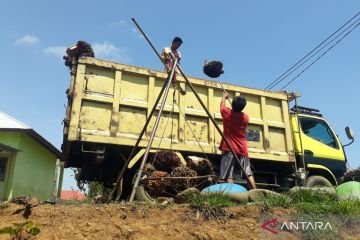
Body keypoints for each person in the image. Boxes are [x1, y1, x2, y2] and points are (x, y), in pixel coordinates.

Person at [219, 92, 256, 189]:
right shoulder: (245, 118)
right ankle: (255, 192)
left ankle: (231, 195)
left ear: (233, 105)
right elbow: (235, 112)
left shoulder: (226, 113)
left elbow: (222, 106)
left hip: (229, 147)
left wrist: (224, 97)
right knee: (248, 173)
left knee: (229, 174)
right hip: (242, 148)